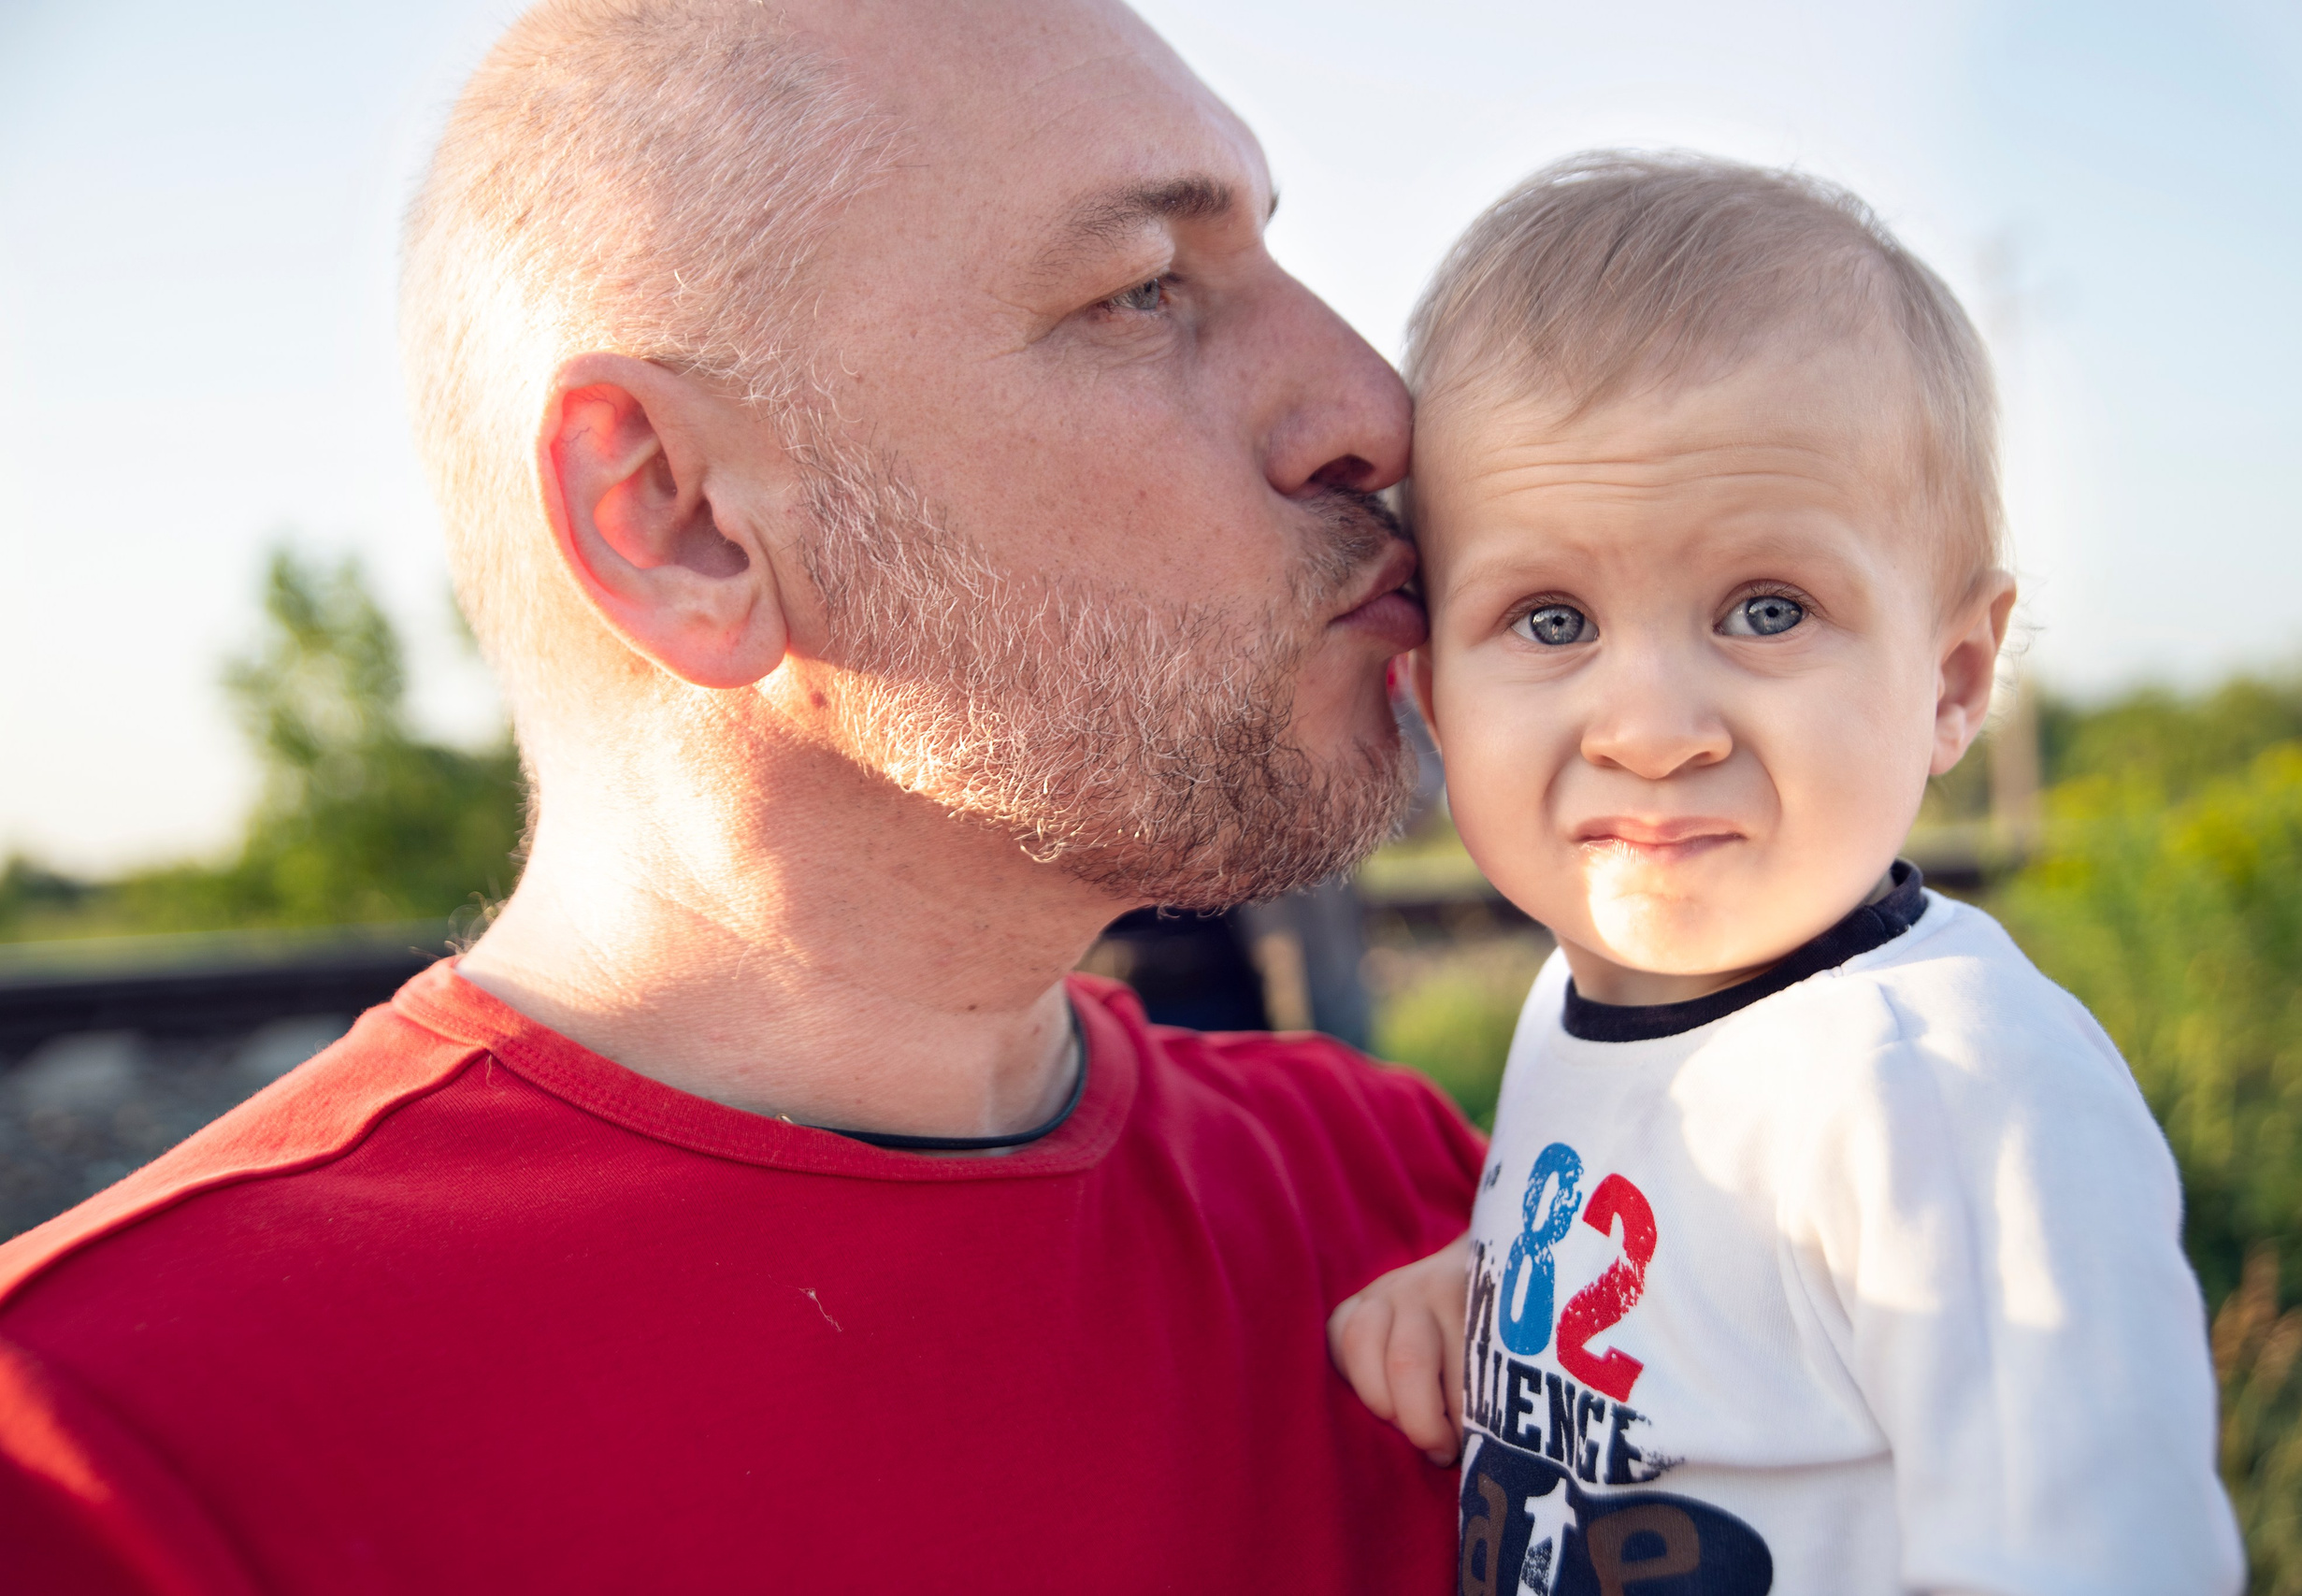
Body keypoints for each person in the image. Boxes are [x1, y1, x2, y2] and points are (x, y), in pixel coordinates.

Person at [0, 2, 1484, 1589]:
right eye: (1142, 292)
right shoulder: (106, 1448)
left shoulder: (1424, 1213)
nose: (1373, 409)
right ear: (683, 520)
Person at [1328, 153, 2243, 1595]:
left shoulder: (1942, 1091)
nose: (1651, 729)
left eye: (1767, 608)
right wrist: (1486, 1306)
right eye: (1551, 618)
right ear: (1437, 702)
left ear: (1950, 682)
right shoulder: (1583, 998)